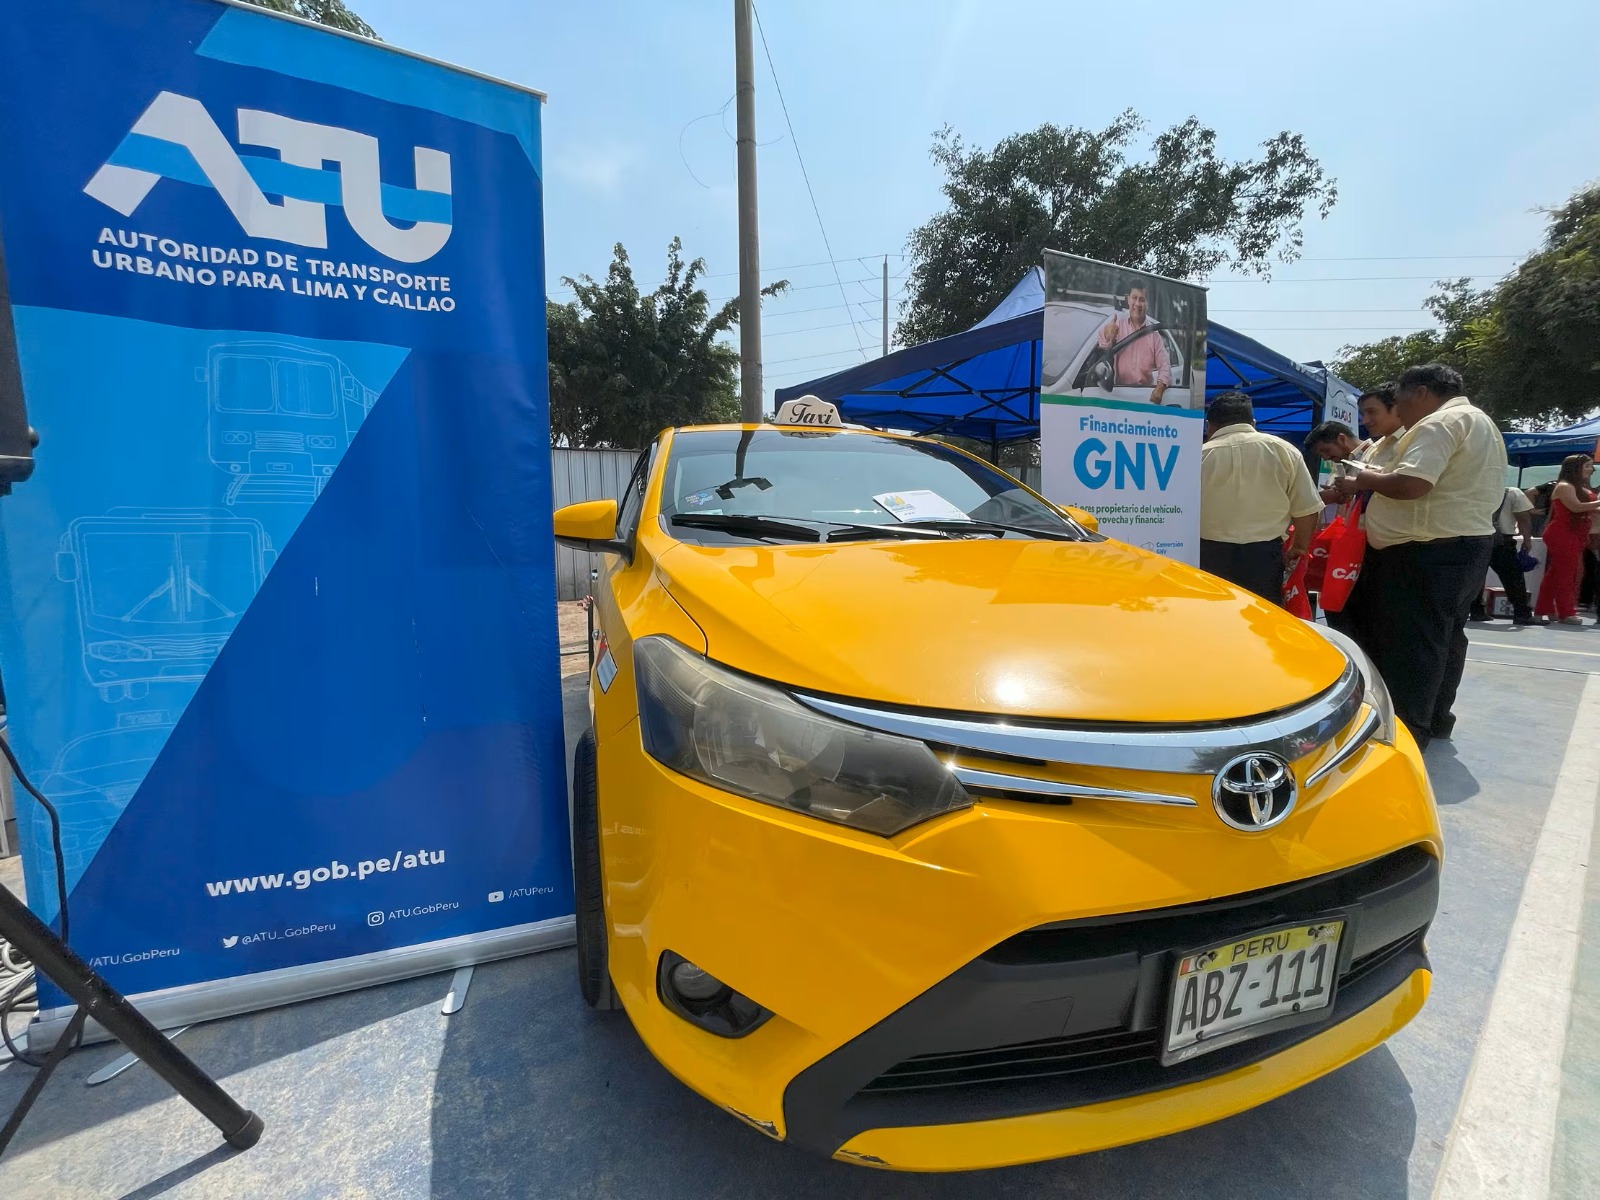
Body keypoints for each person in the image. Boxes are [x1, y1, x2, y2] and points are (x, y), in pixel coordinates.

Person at [1331, 363, 1506, 749]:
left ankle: (1409, 731)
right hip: (1466, 544)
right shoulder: (1481, 422)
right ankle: (1438, 717)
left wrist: (1362, 479)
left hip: (1427, 550)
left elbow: (1411, 484)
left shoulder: (1438, 423)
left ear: (1421, 393)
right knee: (1445, 636)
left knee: (1413, 642)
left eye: (1402, 399)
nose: (1401, 409)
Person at [1200, 391, 1324, 603]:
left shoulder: (1198, 454)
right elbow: (1308, 509)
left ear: (1209, 425)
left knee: (1215, 620)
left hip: (1208, 556)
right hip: (1265, 558)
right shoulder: (1284, 450)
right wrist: (1299, 547)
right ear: (1253, 422)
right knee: (1261, 621)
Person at [1533, 454, 1600, 625]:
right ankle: (1567, 612)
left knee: (1557, 573)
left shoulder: (1582, 488)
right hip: (1562, 533)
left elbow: (1588, 509)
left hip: (1576, 535)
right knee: (1568, 574)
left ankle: (1543, 610)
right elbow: (1576, 507)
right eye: (1587, 466)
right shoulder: (1564, 486)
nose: (1591, 469)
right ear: (1575, 468)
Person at [1469, 485, 1536, 625]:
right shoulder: (1512, 492)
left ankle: (1476, 611)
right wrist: (1527, 539)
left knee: (1475, 578)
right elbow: (1523, 517)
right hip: (1502, 542)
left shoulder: (1475, 489)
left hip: (1475, 538)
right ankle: (1522, 613)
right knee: (1513, 578)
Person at [1093, 284, 1170, 404]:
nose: (1137, 304)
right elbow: (1102, 352)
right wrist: (1107, 335)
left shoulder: (1154, 336)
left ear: (1147, 304)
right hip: (1117, 395)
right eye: (1134, 298)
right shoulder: (1117, 324)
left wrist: (1159, 388)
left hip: (1143, 397)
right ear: (1128, 299)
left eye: (1142, 299)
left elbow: (1165, 366)